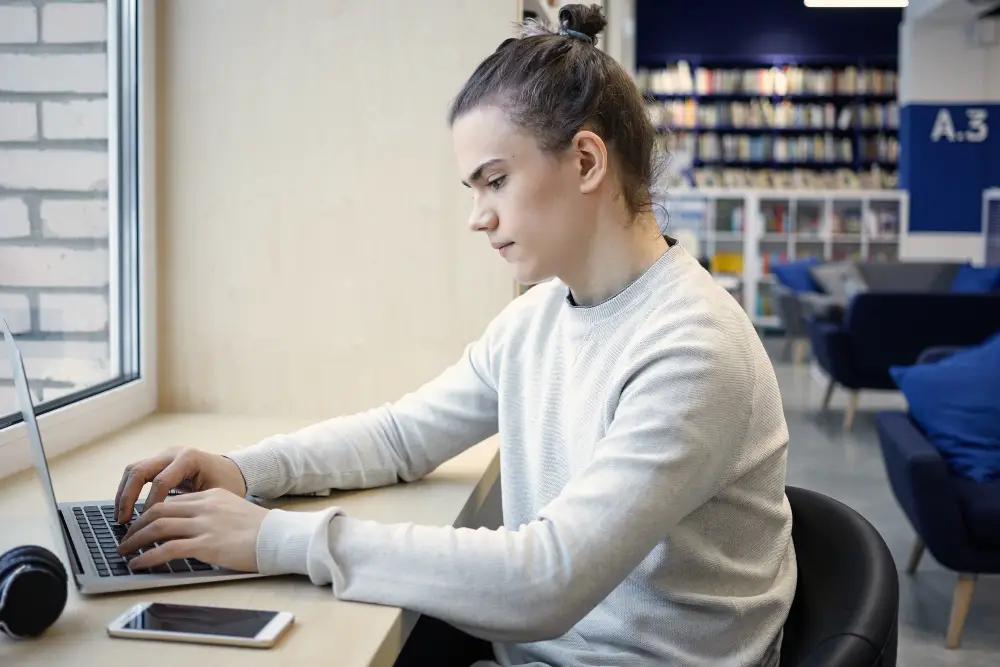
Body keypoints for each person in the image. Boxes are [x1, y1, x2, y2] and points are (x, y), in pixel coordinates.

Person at [112, 5, 796, 666]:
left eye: (495, 181)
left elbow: (547, 580)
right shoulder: (538, 319)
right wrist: (245, 470)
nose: (478, 217)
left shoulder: (694, 347)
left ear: (587, 162)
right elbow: (400, 437)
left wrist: (275, 537)